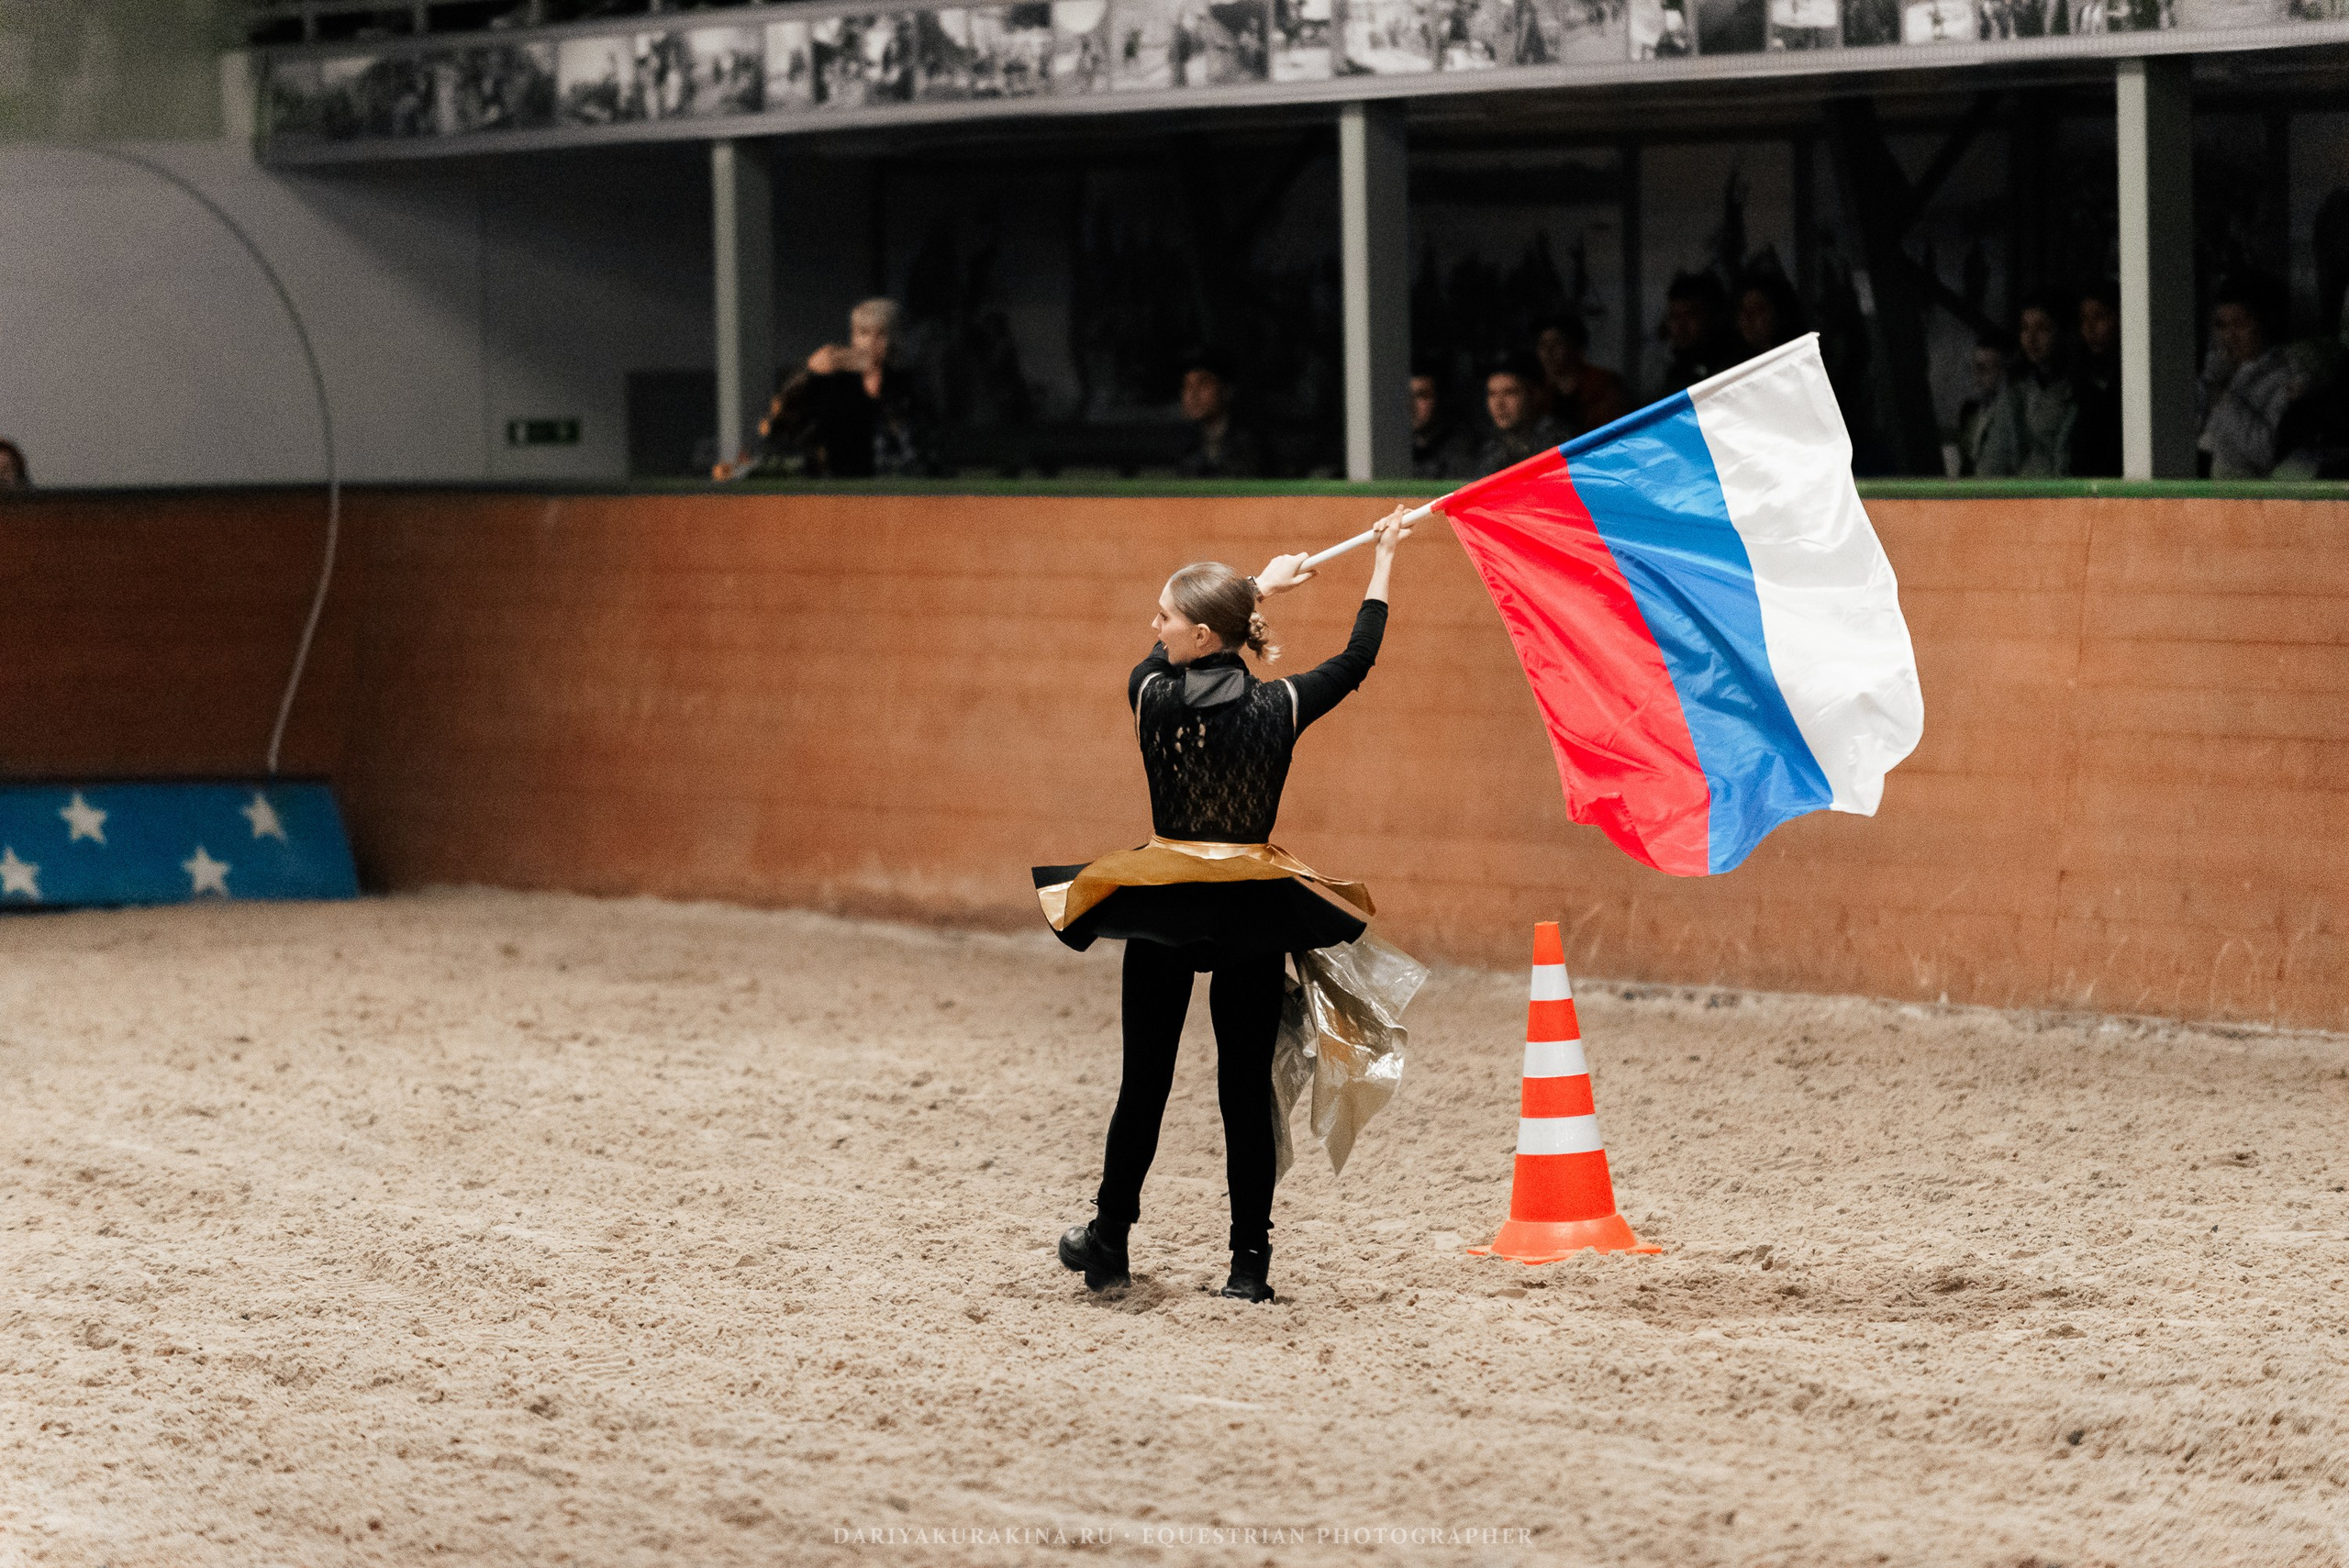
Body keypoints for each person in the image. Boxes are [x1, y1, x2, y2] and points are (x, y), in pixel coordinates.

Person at [1037, 508, 1420, 1304]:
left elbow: (1162, 654)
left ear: (1201, 636)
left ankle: (1109, 1240)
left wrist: (1257, 587)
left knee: (1142, 1081)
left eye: (1167, 617)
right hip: (1249, 910)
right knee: (1243, 1090)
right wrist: (1383, 561)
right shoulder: (1279, 705)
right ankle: (1249, 1267)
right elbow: (1356, 660)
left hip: (1167, 906)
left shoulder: (1149, 696)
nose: (1157, 628)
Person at [723, 296, 930, 479]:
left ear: (894, 339)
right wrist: (808, 372)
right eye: (864, 333)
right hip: (833, 483)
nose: (872, 342)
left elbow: (920, 444)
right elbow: (780, 422)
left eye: (882, 334)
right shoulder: (831, 380)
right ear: (853, 338)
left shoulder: (905, 384)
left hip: (896, 485)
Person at [2199, 275, 2301, 480]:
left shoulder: (2286, 377)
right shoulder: (2216, 370)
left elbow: (2265, 451)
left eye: (2239, 324)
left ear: (2265, 323)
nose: (2229, 336)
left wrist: (2222, 396)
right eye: (2222, 326)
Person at [1976, 298, 2075, 477]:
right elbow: (1993, 465)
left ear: (2063, 333)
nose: (2031, 338)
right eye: (2025, 328)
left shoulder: (2080, 395)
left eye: (2042, 328)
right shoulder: (2016, 399)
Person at [1532, 316, 1631, 439]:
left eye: (1556, 343)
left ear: (1574, 347)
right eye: (1543, 345)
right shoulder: (1538, 392)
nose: (1548, 351)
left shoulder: (1602, 384)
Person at [1174, 351, 1267, 479]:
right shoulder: (1182, 443)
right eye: (1187, 386)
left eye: (1203, 384)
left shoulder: (1249, 442)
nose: (1193, 395)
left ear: (1226, 390)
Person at [1655, 271, 1742, 397]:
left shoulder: (1732, 366)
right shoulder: (1675, 371)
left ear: (1712, 316)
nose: (1680, 326)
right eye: (1674, 317)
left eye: (1689, 315)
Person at [1475, 355, 1564, 476]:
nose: (1499, 404)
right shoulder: (1488, 446)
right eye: (1492, 393)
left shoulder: (1558, 443)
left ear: (1534, 395)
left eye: (1510, 393)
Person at [2070, 282, 2122, 478]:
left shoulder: (2133, 377)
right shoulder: (2077, 373)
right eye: (2084, 319)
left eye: (2100, 316)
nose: (2090, 328)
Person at [1408, 360, 1475, 479]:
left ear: (1440, 399)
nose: (1411, 406)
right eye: (1407, 396)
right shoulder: (1395, 449)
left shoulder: (1464, 450)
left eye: (1421, 396)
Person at [1954, 339, 2005, 477]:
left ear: (2001, 371)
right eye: (1975, 368)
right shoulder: (1970, 412)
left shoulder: (2009, 414)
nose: (1977, 375)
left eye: (1984, 368)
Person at [1734, 272, 1804, 361]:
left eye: (1758, 309)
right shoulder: (1734, 367)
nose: (1748, 318)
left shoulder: (1803, 353)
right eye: (1743, 311)